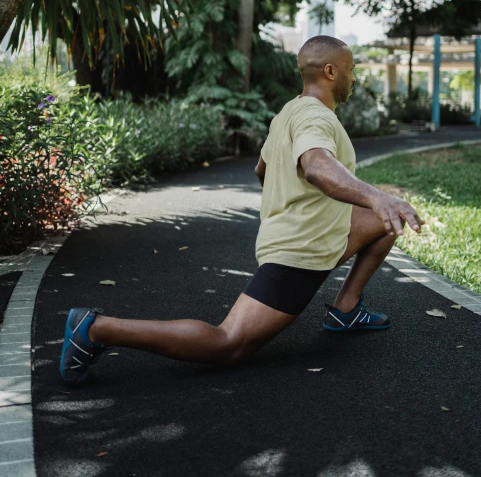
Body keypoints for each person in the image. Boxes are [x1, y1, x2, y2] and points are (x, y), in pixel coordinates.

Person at [60, 35, 423, 383]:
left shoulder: (288, 113)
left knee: (385, 218)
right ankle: (95, 328)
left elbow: (261, 170)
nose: (354, 77)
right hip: (298, 253)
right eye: (350, 69)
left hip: (311, 234)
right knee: (229, 343)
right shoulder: (318, 118)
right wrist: (376, 195)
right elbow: (315, 165)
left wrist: (301, 203)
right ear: (330, 72)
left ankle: (346, 309)